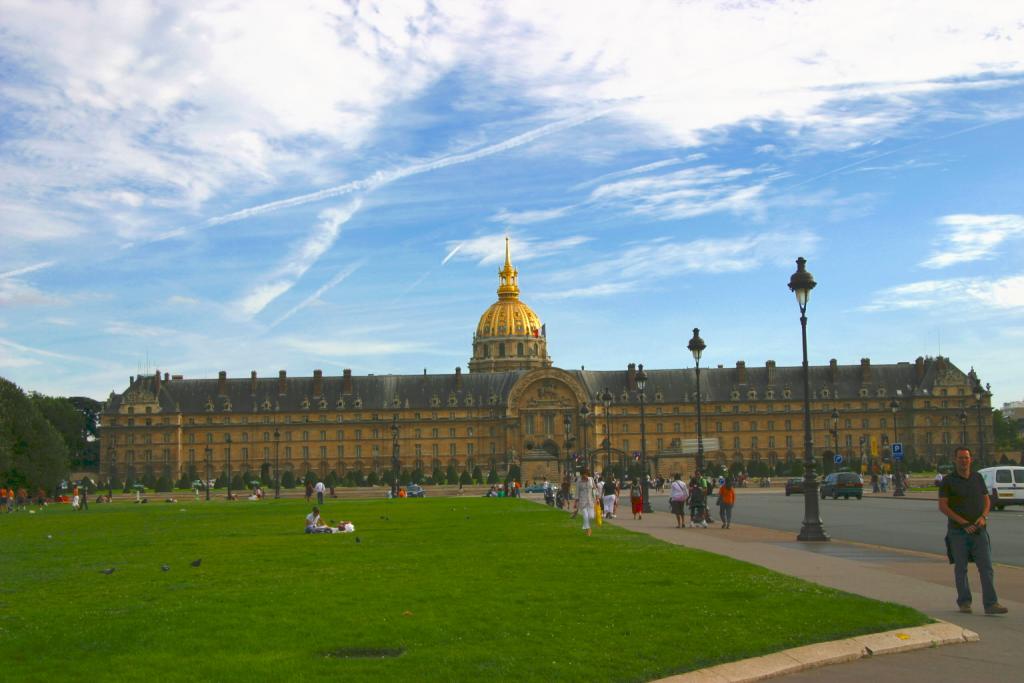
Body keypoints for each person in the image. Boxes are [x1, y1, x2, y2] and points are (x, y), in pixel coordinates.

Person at [938, 447, 1007, 615]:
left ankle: (991, 604)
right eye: (960, 458)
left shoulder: (977, 478)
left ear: (971, 460)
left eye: (966, 458)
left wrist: (983, 517)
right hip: (958, 531)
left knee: (987, 567)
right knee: (961, 568)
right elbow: (943, 505)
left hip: (978, 529)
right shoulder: (948, 481)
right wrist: (962, 522)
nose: (964, 461)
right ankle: (964, 602)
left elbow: (986, 500)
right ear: (955, 460)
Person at [574, 468, 596, 536]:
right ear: (581, 475)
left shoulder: (591, 479)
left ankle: (587, 528)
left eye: (586, 474)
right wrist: (576, 503)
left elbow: (594, 488)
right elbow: (577, 492)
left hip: (590, 500)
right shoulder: (578, 481)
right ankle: (588, 530)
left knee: (591, 516)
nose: (585, 476)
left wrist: (597, 497)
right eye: (583, 475)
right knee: (585, 516)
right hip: (582, 501)